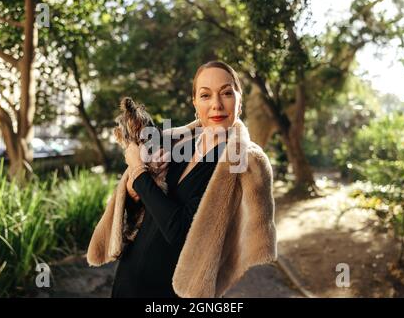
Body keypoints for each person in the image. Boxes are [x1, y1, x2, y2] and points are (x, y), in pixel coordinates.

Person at [87, 60, 277, 298]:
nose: (216, 105)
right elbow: (151, 208)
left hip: (172, 294)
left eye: (226, 93)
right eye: (205, 95)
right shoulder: (180, 145)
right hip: (129, 279)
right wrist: (135, 192)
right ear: (195, 103)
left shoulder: (238, 164)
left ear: (239, 101)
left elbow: (181, 232)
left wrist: (137, 171)